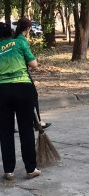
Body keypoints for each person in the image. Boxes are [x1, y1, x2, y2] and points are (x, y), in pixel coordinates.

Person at [0, 22, 41, 181]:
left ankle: (8, 171)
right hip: (23, 88)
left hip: (2, 90)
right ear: (10, 33)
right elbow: (34, 64)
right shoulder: (18, 42)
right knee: (26, 130)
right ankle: (30, 169)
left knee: (5, 132)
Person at [14, 17, 51, 131]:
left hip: (6, 74)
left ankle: (9, 124)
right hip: (21, 73)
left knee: (11, 99)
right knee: (33, 96)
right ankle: (37, 122)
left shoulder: (13, 39)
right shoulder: (22, 41)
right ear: (28, 28)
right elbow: (33, 63)